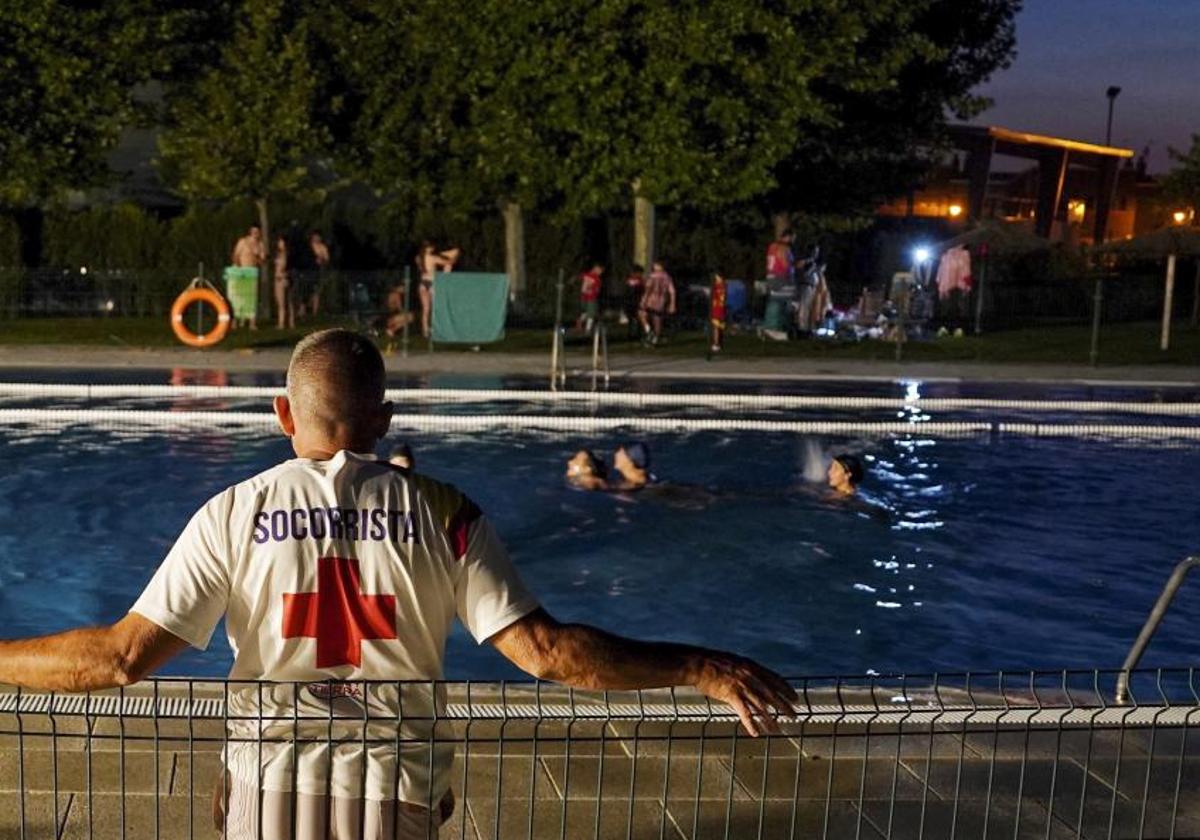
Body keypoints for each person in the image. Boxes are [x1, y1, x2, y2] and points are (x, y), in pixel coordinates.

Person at [0, 328, 795, 838]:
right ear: (384, 420)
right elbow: (550, 653)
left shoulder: (232, 514)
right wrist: (702, 668)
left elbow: (116, 659)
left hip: (267, 790)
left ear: (284, 413)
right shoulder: (444, 511)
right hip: (395, 795)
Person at [415, 241, 459, 339]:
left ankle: (425, 330)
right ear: (427, 248)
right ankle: (435, 328)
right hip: (432, 283)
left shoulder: (418, 258)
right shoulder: (433, 258)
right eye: (431, 247)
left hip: (423, 283)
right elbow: (449, 262)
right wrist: (455, 257)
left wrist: (442, 254)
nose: (433, 249)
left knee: (426, 309)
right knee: (434, 308)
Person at [230, 224, 265, 330]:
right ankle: (235, 322)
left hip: (252, 273)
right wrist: (238, 269)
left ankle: (252, 323)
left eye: (257, 232)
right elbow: (235, 256)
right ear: (250, 232)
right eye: (254, 232)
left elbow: (262, 261)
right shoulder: (243, 242)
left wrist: (257, 257)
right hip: (241, 272)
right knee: (238, 297)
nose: (256, 234)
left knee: (252, 298)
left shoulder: (260, 245)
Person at [638, 261, 676, 346]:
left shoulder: (652, 276)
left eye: (656, 265)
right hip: (661, 301)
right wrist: (672, 304)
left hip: (650, 300)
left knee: (642, 314)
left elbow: (648, 289)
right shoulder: (667, 277)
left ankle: (648, 331)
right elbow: (672, 291)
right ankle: (655, 338)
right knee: (657, 319)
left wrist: (643, 300)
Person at [306, 231, 331, 317]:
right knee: (306, 290)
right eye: (315, 236)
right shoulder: (308, 247)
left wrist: (322, 260)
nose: (316, 238)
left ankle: (314, 311)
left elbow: (327, 259)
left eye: (318, 236)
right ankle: (304, 309)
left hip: (319, 270)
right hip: (308, 270)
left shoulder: (322, 247)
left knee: (317, 290)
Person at [273, 234, 294, 330]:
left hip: (282, 278)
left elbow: (284, 266)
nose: (279, 244)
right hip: (280, 278)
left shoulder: (285, 255)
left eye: (281, 242)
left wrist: (282, 274)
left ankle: (283, 323)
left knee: (284, 302)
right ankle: (289, 322)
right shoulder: (279, 254)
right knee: (284, 302)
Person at [576, 262, 603, 334]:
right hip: (591, 297)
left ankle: (580, 320)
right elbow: (597, 290)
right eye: (600, 270)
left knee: (585, 312)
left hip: (583, 296)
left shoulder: (585, 275)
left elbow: (578, 279)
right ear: (595, 268)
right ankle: (588, 329)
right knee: (591, 314)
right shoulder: (597, 279)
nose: (600, 273)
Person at [622, 264, 645, 337]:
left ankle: (634, 333)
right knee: (634, 318)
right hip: (633, 302)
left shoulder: (633, 280)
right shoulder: (636, 281)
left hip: (633, 301)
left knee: (636, 319)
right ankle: (633, 333)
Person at [709, 272, 727, 354]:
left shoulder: (718, 286)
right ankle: (719, 343)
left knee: (716, 327)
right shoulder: (724, 285)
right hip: (721, 308)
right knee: (720, 326)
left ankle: (716, 344)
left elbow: (714, 296)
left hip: (717, 308)